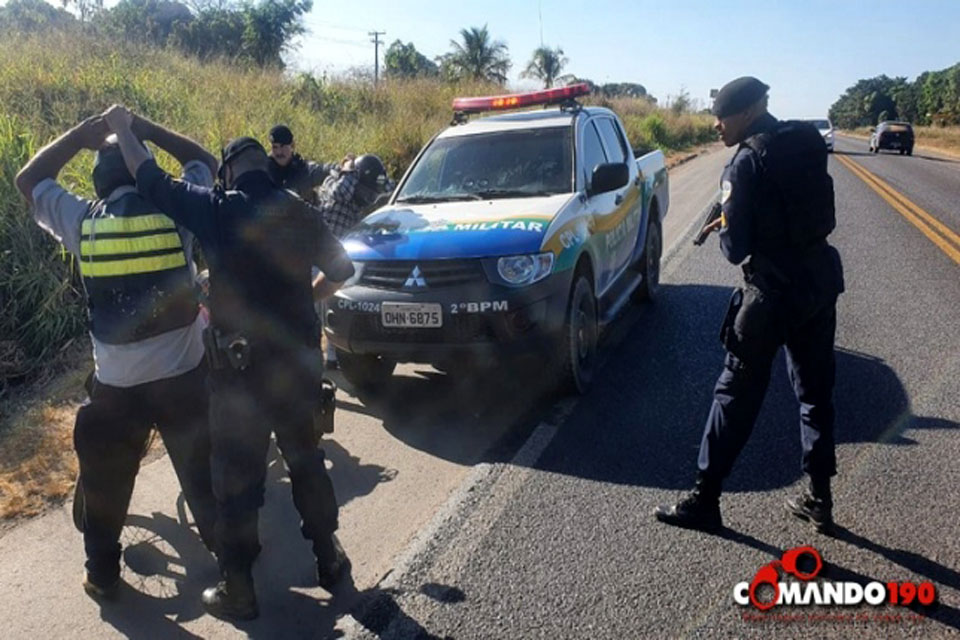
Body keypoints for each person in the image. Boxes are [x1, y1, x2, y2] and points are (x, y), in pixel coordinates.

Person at [101, 104, 356, 621]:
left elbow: (150, 178)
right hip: (297, 368)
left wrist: (128, 130)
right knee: (305, 459)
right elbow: (343, 269)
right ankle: (329, 560)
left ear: (229, 172)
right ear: (266, 165)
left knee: (238, 479)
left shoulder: (218, 208)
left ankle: (239, 588)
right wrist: (309, 295)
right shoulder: (300, 211)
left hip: (240, 376)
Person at [14, 113, 219, 599]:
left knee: (105, 483)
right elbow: (203, 161)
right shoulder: (176, 212)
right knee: (204, 480)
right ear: (142, 173)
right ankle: (233, 569)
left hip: (117, 389)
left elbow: (29, 180)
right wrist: (143, 130)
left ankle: (102, 575)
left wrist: (79, 134)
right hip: (183, 381)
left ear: (99, 185)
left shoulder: (81, 222)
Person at [654, 77, 845, 534]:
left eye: (722, 115)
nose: (716, 124)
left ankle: (705, 499)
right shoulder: (803, 140)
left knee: (735, 395)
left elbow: (735, 249)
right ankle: (819, 497)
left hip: (771, 294)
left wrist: (726, 224)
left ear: (748, 112)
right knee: (815, 393)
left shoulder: (743, 164)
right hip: (817, 282)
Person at [315, 154, 392, 368]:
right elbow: (341, 192)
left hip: (339, 254)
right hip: (317, 254)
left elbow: (386, 188)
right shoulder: (335, 182)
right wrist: (350, 170)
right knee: (317, 307)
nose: (368, 196)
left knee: (335, 304)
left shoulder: (359, 194)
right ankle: (312, 356)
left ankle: (331, 358)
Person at [266, 124, 334, 205]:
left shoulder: (302, 169)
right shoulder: (264, 170)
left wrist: (343, 166)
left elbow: (323, 169)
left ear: (292, 146)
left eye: (283, 147)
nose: (279, 152)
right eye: (275, 147)